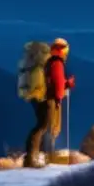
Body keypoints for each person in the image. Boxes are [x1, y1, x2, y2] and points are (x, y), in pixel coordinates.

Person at [24, 37, 75, 167]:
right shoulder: (57, 63)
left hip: (41, 98)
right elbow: (58, 84)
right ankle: (35, 157)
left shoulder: (49, 62)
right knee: (45, 127)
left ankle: (37, 155)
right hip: (50, 100)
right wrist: (60, 97)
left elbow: (53, 81)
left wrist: (66, 84)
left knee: (43, 126)